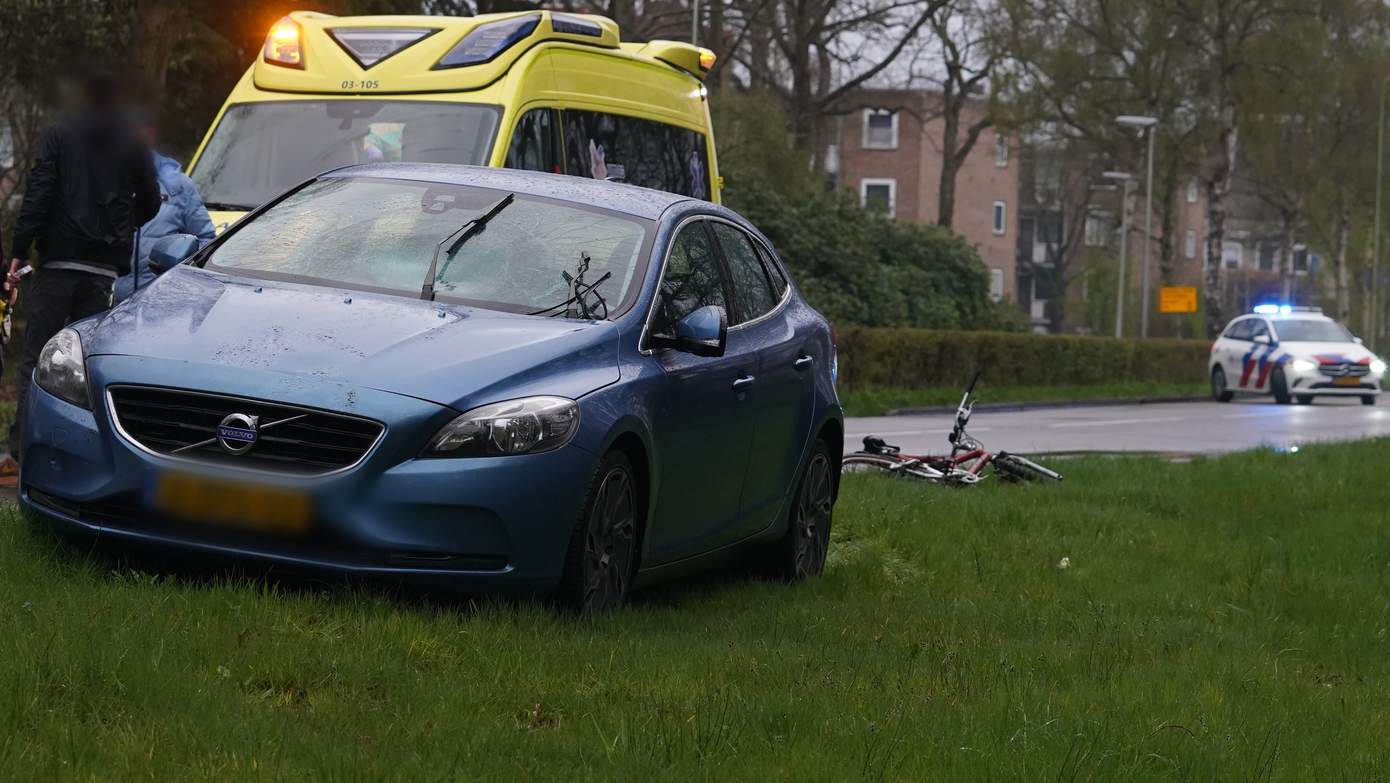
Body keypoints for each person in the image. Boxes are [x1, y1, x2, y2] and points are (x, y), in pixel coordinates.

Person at [3, 70, 160, 471]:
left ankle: (24, 451)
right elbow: (151, 201)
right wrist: (121, 229)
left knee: (38, 359)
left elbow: (39, 194)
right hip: (103, 270)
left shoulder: (60, 134)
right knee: (85, 368)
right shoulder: (133, 143)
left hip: (57, 264)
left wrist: (19, 251)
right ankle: (80, 457)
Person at [113, 109, 217, 303]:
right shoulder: (108, 180)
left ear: (150, 134)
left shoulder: (179, 185)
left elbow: (206, 240)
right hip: (115, 306)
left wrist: (178, 270)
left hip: (163, 301)